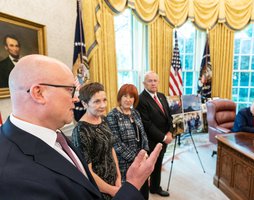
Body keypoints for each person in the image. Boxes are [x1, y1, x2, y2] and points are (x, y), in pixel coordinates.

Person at [0, 54, 162, 200]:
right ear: (39, 93)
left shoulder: (55, 133)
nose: (76, 99)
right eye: (70, 91)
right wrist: (132, 185)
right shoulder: (14, 178)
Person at [72, 82, 122, 200]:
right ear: (84, 104)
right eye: (97, 101)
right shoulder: (81, 131)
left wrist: (118, 176)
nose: (103, 105)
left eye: (104, 100)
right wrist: (112, 190)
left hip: (114, 183)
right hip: (98, 190)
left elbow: (111, 148)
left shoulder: (103, 119)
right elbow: (86, 172)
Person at [106, 84, 150, 199]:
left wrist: (145, 151)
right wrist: (137, 158)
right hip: (124, 165)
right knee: (130, 195)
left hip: (141, 162)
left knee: (143, 194)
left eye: (131, 97)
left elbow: (143, 134)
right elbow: (116, 143)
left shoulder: (135, 113)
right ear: (120, 97)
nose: (128, 99)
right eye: (125, 96)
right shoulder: (112, 115)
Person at [136, 71, 173, 197]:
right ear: (144, 83)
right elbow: (147, 124)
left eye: (155, 80)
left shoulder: (162, 96)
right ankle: (144, 194)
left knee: (158, 164)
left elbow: (169, 116)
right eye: (150, 81)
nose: (153, 83)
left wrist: (170, 132)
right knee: (148, 167)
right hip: (151, 140)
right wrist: (164, 137)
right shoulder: (141, 100)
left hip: (163, 138)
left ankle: (155, 187)